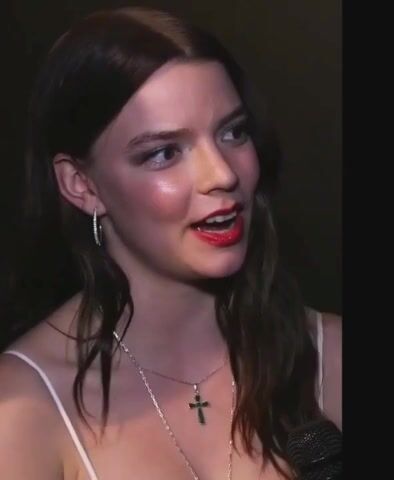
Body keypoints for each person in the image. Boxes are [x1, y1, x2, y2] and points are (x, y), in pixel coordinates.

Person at [0, 7, 341, 479]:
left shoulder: (332, 355)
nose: (222, 174)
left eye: (233, 132)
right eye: (163, 152)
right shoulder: (22, 411)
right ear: (82, 184)